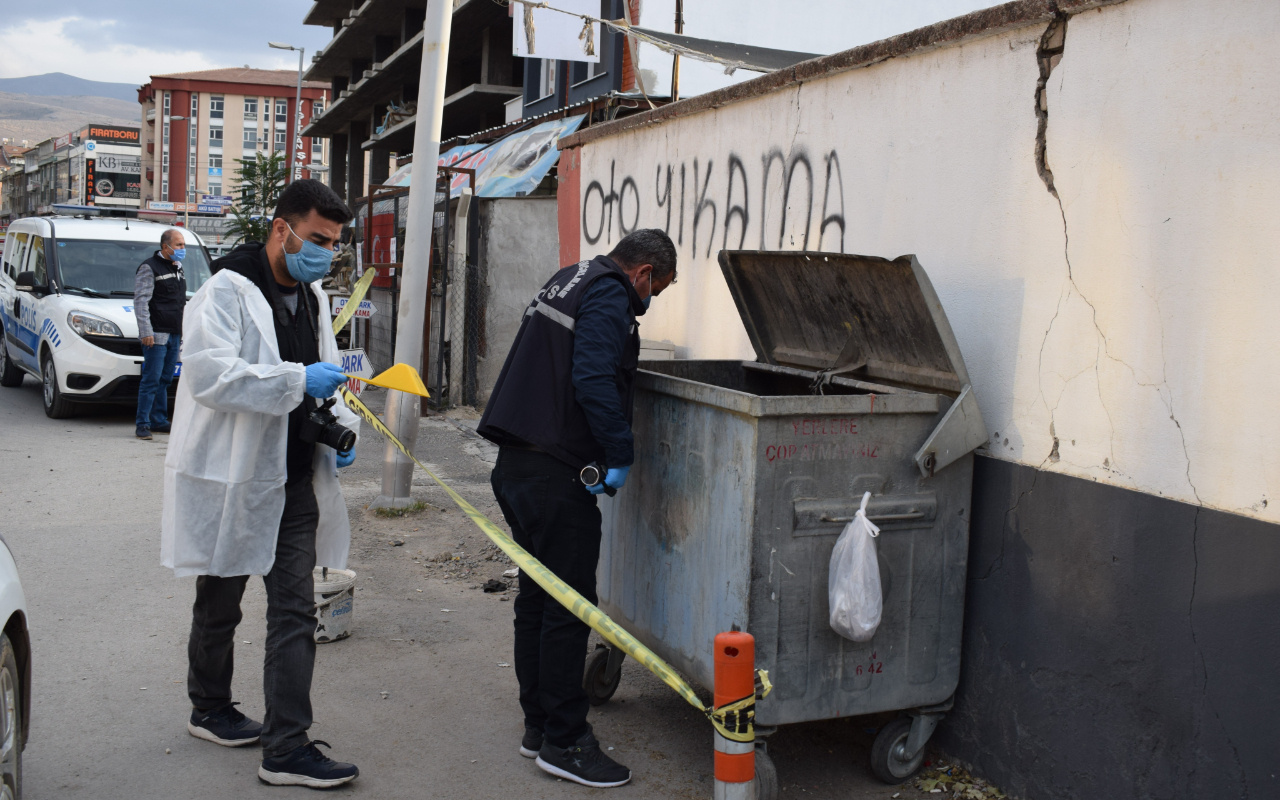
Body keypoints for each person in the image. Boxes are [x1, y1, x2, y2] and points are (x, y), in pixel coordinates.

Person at [161, 180, 362, 789]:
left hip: (294, 478)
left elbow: (330, 375)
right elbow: (211, 376)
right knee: (220, 600)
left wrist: (343, 419)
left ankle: (286, 746)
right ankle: (210, 706)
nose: (326, 253)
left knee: (295, 611)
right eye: (318, 240)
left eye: (334, 244)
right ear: (283, 229)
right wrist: (299, 379)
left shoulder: (314, 297)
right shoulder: (226, 291)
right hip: (235, 476)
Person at [478, 229, 678, 789]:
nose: (649, 302)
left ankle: (539, 729)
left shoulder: (569, 277)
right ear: (642, 272)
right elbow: (592, 375)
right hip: (554, 473)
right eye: (655, 290)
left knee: (538, 602)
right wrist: (620, 450)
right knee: (569, 611)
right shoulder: (612, 291)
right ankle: (566, 742)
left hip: (516, 466)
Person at [134, 228, 187, 440]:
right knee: (151, 379)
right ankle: (142, 424)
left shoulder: (178, 267)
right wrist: (145, 331)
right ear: (166, 247)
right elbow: (141, 301)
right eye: (179, 245)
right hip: (156, 335)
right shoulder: (149, 268)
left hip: (174, 333)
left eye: (183, 245)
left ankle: (158, 420)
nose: (183, 249)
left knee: (165, 379)